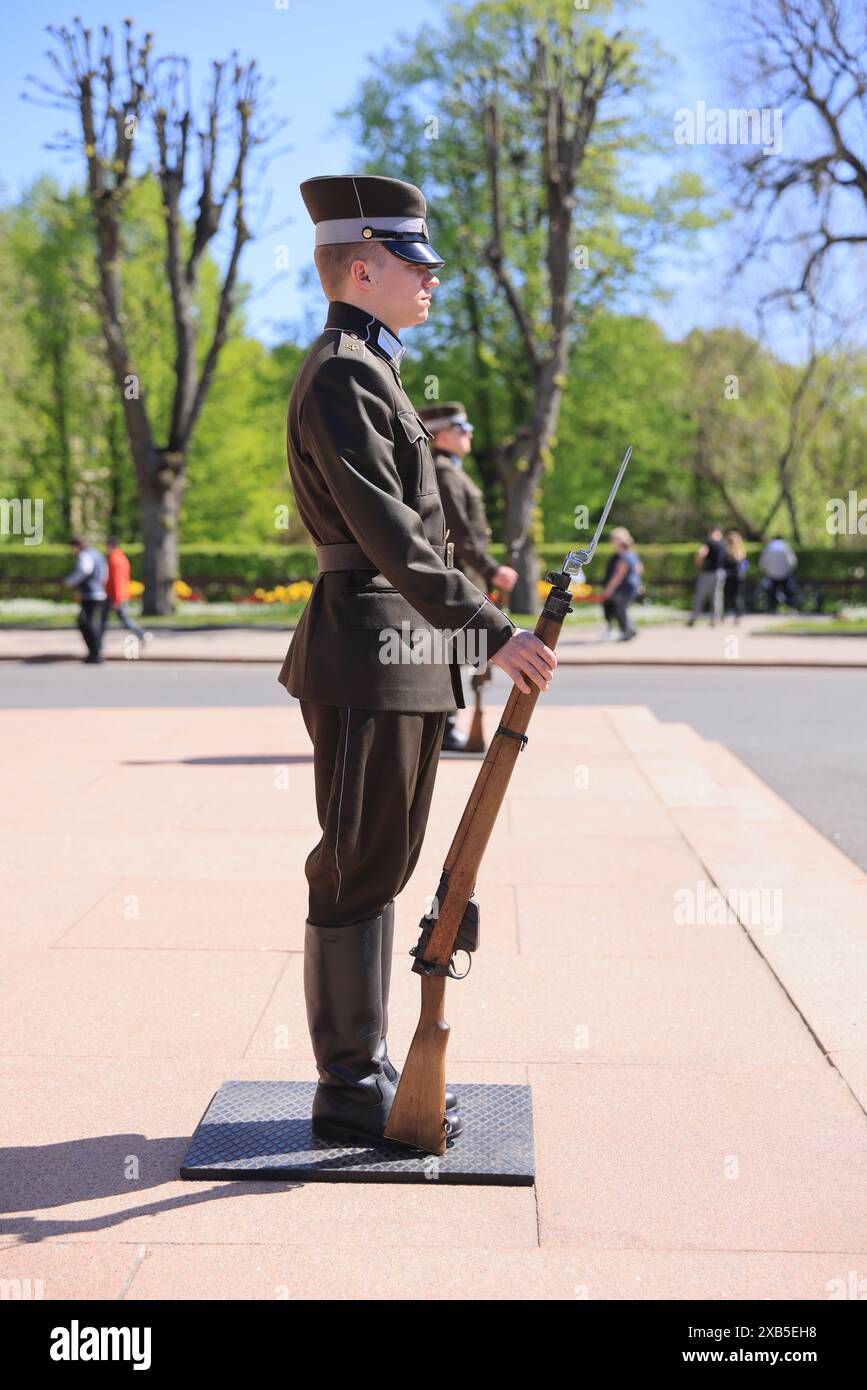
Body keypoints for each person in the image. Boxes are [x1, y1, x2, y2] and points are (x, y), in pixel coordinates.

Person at [276, 173, 556, 1149]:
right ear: (363, 267)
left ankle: (369, 1063)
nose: (429, 278)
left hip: (393, 647)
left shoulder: (371, 368)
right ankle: (349, 1083)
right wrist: (492, 628)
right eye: (413, 262)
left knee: (382, 859)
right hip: (368, 643)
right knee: (357, 862)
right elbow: (390, 530)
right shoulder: (344, 371)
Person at [417, 400, 517, 751]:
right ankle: (445, 730)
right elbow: (458, 531)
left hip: (465, 577)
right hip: (457, 577)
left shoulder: (451, 470)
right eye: (462, 428)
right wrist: (492, 569)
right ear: (441, 434)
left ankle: (447, 727)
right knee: (452, 655)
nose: (470, 433)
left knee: (457, 656)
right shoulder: (444, 473)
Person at [63, 537, 109, 663]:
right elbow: (105, 574)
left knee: (86, 623)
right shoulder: (98, 554)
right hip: (99, 592)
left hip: (90, 594)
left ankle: (95, 652)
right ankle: (96, 650)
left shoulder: (85, 555)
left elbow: (84, 570)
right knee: (91, 622)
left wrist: (70, 582)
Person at [103, 538, 153, 648]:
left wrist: (117, 598)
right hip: (118, 594)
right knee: (110, 619)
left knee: (117, 619)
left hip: (114, 595)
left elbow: (117, 580)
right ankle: (99, 642)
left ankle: (141, 634)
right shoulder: (121, 557)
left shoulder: (114, 559)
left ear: (110, 546)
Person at [599, 526, 642, 640]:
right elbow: (639, 569)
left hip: (623, 588)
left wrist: (609, 589)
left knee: (620, 610)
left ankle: (627, 631)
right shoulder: (632, 554)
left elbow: (618, 575)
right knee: (621, 609)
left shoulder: (622, 557)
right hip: (630, 587)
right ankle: (630, 629)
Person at [688, 525, 726, 626]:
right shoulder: (723, 543)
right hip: (720, 572)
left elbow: (701, 554)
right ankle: (714, 619)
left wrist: (699, 566)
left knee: (700, 596)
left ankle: (693, 618)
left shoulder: (708, 542)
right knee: (716, 596)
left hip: (707, 572)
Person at [759, 535, 800, 610]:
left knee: (772, 592)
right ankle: (790, 607)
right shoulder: (785, 546)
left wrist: (765, 571)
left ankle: (772, 607)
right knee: (787, 592)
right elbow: (792, 561)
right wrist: (788, 570)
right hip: (784, 574)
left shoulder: (769, 547)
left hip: (771, 575)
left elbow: (763, 562)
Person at [723, 530, 748, 620]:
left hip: (731, 577)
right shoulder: (742, 551)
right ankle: (738, 613)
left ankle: (731, 613)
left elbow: (725, 565)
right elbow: (745, 565)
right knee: (737, 596)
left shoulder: (728, 552)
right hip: (739, 576)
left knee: (730, 596)